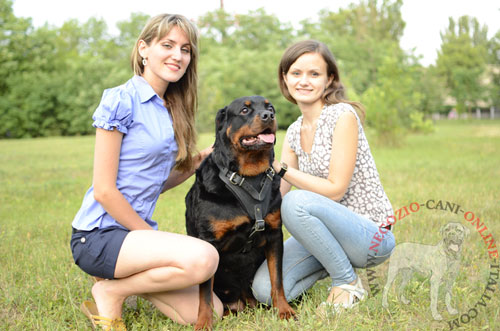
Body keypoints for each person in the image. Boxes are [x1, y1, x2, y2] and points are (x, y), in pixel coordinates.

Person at [70, 14, 223, 330]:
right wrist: (149, 237)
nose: (177, 56)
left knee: (208, 312)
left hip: (132, 240)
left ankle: (116, 283)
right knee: (204, 258)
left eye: (185, 49)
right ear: (143, 49)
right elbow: (104, 189)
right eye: (167, 45)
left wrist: (201, 160)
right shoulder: (121, 100)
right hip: (99, 236)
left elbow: (154, 183)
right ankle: (110, 290)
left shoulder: (171, 107)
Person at [252, 40, 395, 315]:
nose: (303, 81)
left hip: (370, 235)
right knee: (264, 290)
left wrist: (280, 167)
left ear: (329, 80)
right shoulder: (293, 131)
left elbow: (335, 190)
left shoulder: (342, 116)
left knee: (296, 203)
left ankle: (347, 283)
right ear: (284, 78)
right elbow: (276, 196)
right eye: (296, 73)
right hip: (326, 234)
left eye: (314, 74)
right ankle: (334, 265)